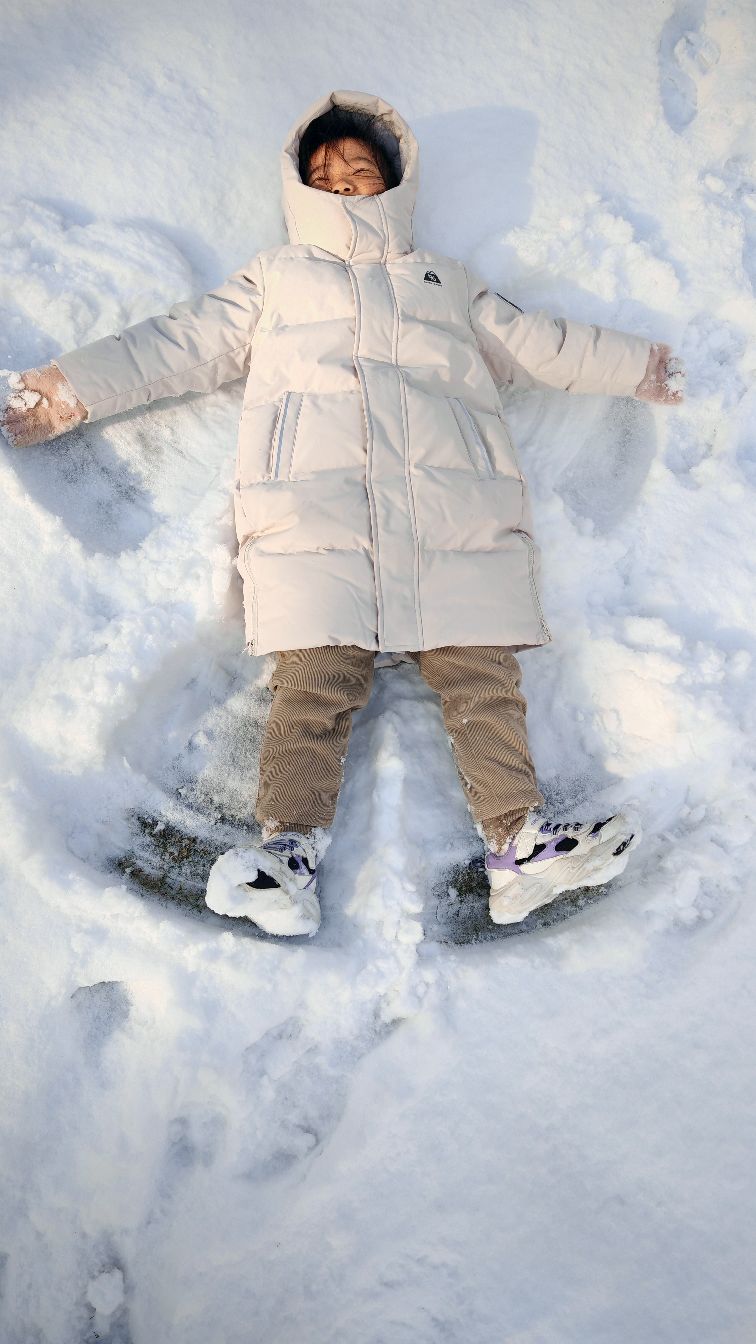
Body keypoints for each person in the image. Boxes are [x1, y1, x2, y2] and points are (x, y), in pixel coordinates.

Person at [0, 91, 685, 937]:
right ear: (301, 190)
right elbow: (176, 344)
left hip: (450, 516)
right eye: (324, 173)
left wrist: (645, 366)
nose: (344, 181)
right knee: (313, 688)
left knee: (483, 682)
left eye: (361, 168)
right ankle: (285, 857)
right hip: (317, 520)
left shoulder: (444, 282)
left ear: (394, 183)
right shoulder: (276, 279)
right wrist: (66, 389)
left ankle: (518, 849)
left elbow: (543, 343)